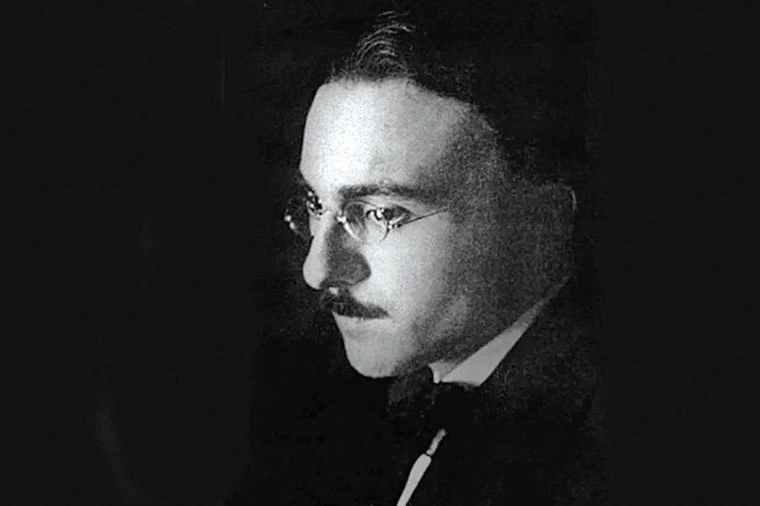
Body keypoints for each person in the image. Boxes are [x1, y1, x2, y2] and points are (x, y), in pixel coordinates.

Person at [229, 5, 604, 505]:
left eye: (382, 213)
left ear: (540, 221)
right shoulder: (381, 408)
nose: (317, 270)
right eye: (316, 204)